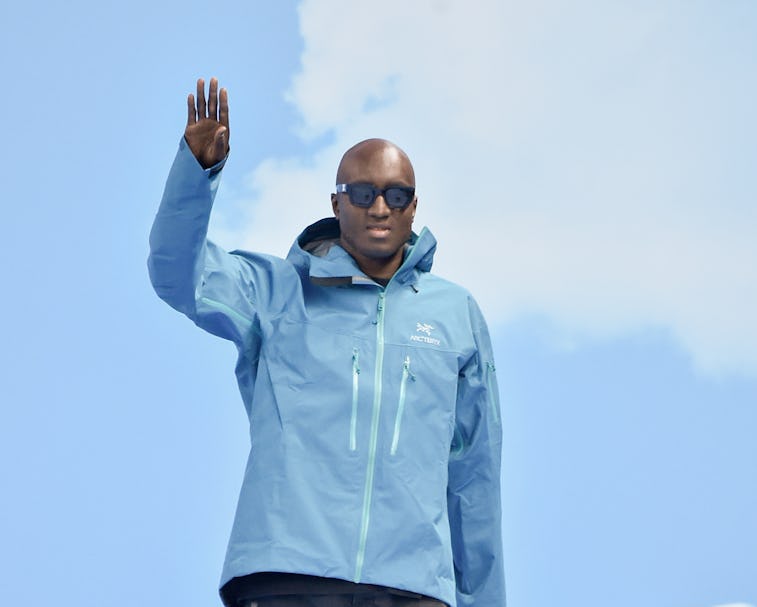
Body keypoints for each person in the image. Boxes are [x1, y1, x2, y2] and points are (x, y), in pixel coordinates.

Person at [148, 78, 506, 607]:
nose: (379, 207)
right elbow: (179, 275)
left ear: (413, 207)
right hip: (287, 576)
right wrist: (197, 175)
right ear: (337, 203)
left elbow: (474, 473)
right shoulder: (276, 292)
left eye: (395, 195)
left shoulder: (455, 314)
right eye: (362, 193)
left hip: (411, 588)